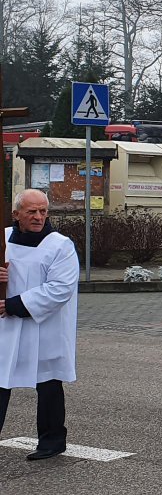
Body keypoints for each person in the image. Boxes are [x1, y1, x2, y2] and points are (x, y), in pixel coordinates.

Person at [0, 189, 79, 461]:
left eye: (43, 211)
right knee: (0, 379)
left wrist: (14, 305)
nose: (38, 217)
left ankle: (52, 440)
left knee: (47, 384)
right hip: (7, 327)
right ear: (16, 214)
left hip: (45, 326)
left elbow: (61, 288)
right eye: (32, 211)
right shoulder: (4, 239)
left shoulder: (59, 245)